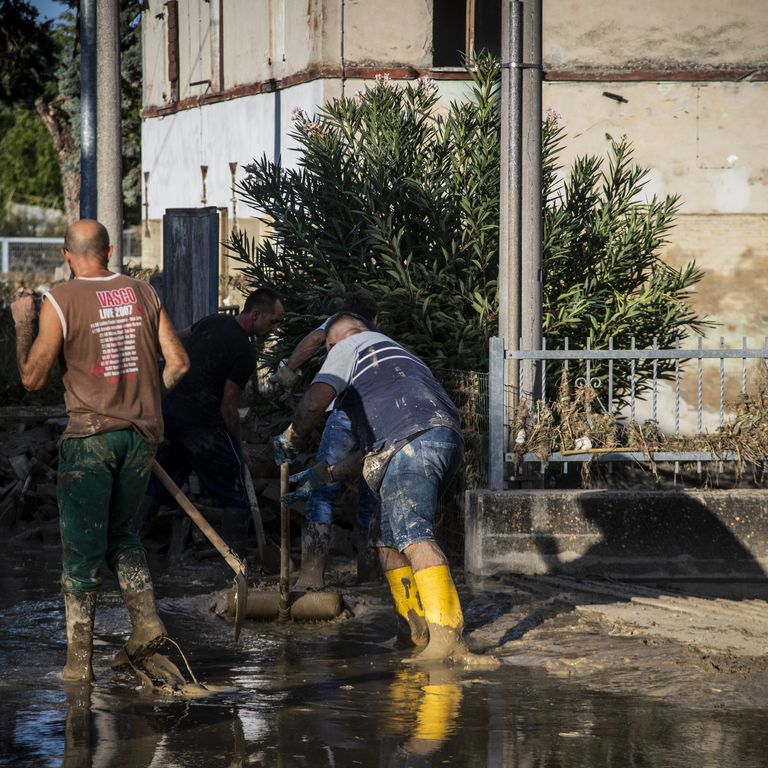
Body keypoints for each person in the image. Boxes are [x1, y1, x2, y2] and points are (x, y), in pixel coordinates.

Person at [11, 219, 191, 685]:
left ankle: (78, 665)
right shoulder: (144, 293)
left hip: (90, 439)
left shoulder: (61, 298)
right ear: (109, 251)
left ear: (66, 255)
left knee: (80, 552)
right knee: (121, 535)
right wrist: (142, 408)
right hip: (141, 437)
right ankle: (147, 623)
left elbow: (32, 379)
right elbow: (179, 362)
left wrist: (23, 325)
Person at [274, 313, 498, 667]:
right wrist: (325, 475)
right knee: (384, 537)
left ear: (333, 343)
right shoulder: (396, 359)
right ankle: (412, 633)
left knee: (412, 533)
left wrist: (291, 436)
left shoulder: (348, 345)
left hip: (413, 443)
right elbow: (373, 451)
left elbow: (314, 403)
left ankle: (448, 639)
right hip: (428, 440)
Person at [138, 287, 285, 554]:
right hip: (200, 427)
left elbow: (178, 339)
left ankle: (126, 551)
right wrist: (238, 449)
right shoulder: (244, 351)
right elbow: (229, 407)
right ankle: (235, 567)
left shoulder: (216, 320)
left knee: (157, 486)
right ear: (255, 315)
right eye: (273, 321)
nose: (274, 328)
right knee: (235, 493)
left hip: (169, 415)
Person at [266, 289, 380, 588]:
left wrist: (286, 374)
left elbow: (314, 340)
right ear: (376, 318)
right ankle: (369, 575)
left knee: (322, 487)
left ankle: (312, 577)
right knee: (371, 490)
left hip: (346, 412)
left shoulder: (342, 325)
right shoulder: (379, 336)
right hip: (381, 417)